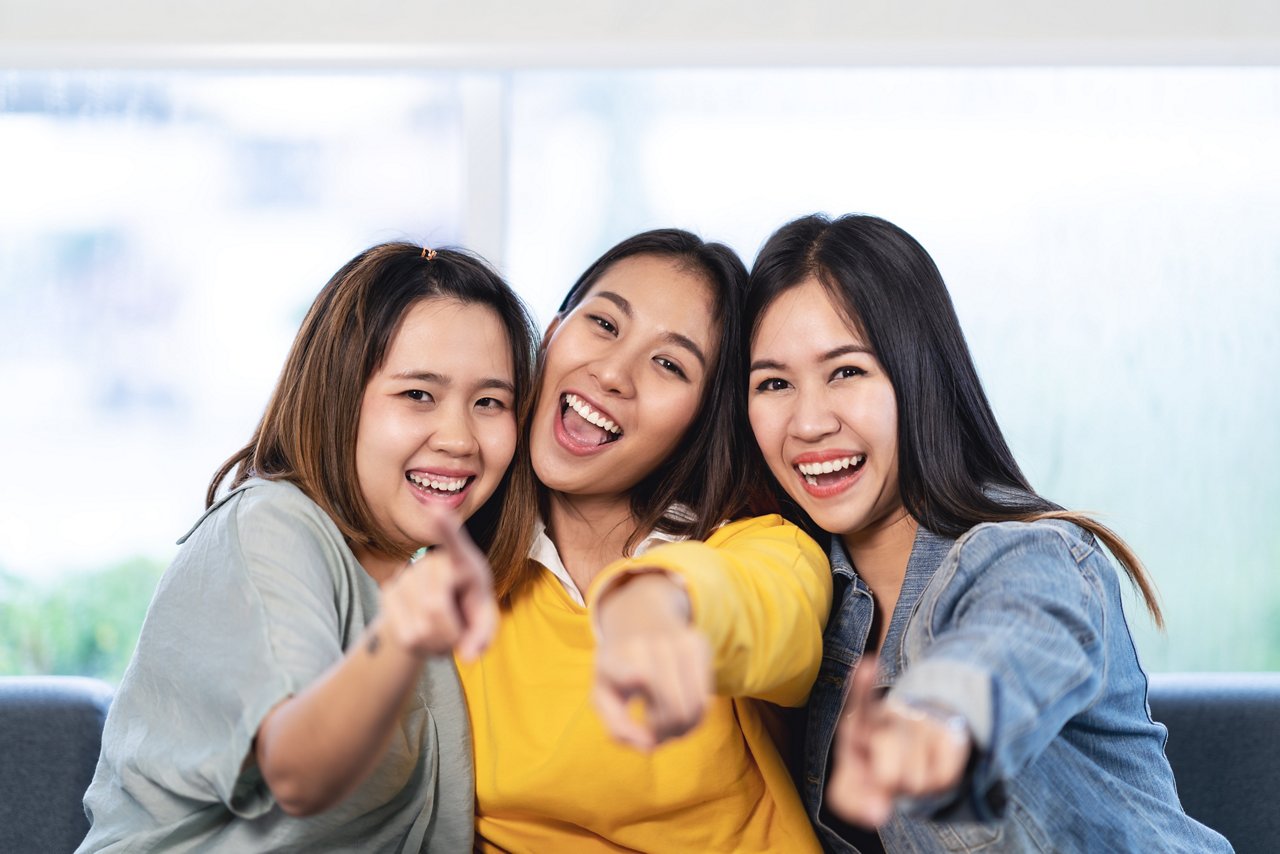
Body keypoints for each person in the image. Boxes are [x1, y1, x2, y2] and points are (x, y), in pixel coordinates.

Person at [743, 213, 1233, 853]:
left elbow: (1014, 644)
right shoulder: (802, 593)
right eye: (774, 384)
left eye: (847, 372)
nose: (807, 423)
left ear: (919, 377)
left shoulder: (1027, 553)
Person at [77, 242, 537, 853]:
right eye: (417, 395)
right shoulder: (272, 529)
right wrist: (399, 635)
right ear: (338, 398)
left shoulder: (418, 581)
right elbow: (297, 772)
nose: (459, 438)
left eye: (489, 403)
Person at [455, 229, 833, 852]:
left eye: (669, 364)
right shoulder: (451, 574)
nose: (611, 373)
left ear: (704, 418)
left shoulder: (758, 548)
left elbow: (773, 616)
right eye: (604, 324)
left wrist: (668, 602)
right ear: (550, 335)